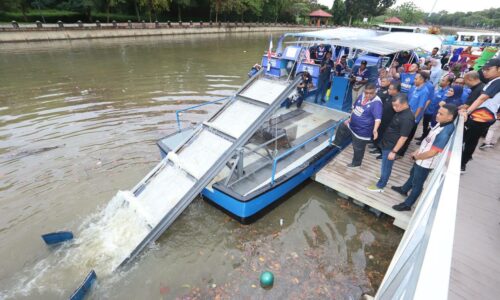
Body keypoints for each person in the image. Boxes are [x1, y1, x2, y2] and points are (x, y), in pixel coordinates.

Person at [391, 104, 458, 211]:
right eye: (438, 112)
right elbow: (428, 139)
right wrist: (418, 150)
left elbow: (433, 152)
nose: (437, 115)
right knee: (413, 174)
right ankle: (404, 189)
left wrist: (417, 157)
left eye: (441, 114)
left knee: (417, 183)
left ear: (450, 117)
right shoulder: (442, 123)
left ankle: (408, 204)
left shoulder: (445, 132)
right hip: (421, 157)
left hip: (426, 162)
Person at [367, 94, 415, 192]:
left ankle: (381, 185)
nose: (394, 108)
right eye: (393, 105)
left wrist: (394, 151)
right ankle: (384, 176)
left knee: (387, 165)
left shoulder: (407, 118)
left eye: (396, 106)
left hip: (391, 146)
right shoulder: (400, 111)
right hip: (387, 142)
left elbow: (403, 137)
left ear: (404, 103)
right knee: (385, 164)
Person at [461, 58, 500, 173]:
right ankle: (464, 160)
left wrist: (467, 112)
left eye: (488, 69)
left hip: (482, 116)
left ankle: (462, 164)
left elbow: (483, 97)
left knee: (470, 141)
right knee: (470, 140)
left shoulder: (497, 81)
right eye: (483, 69)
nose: (484, 71)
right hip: (482, 115)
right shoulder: (494, 81)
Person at [331, 84, 382, 167]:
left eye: (371, 93)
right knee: (342, 126)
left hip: (362, 130)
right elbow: (354, 108)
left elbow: (377, 119)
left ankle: (356, 163)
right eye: (367, 93)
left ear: (375, 92)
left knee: (358, 148)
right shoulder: (361, 96)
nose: (368, 95)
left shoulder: (377, 103)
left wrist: (375, 130)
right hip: (352, 124)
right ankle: (337, 143)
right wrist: (350, 118)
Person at [398, 72, 429, 156]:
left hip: (413, 117)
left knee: (407, 135)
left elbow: (421, 106)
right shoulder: (414, 87)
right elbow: (407, 99)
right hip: (406, 113)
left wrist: (414, 118)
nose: (414, 80)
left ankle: (401, 153)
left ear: (422, 80)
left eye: (416, 79)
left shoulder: (424, 91)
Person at [417, 75, 453, 140]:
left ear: (448, 83)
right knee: (425, 125)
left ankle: (425, 139)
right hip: (428, 111)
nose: (440, 81)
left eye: (443, 80)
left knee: (431, 127)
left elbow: (442, 104)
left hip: (434, 113)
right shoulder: (439, 89)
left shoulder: (447, 92)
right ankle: (423, 136)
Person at [371, 82, 400, 156]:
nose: (388, 90)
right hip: (383, 120)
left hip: (389, 123)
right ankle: (377, 147)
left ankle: (382, 153)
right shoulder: (389, 96)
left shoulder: (398, 99)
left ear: (396, 90)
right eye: (388, 89)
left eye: (390, 89)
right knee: (380, 134)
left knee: (385, 138)